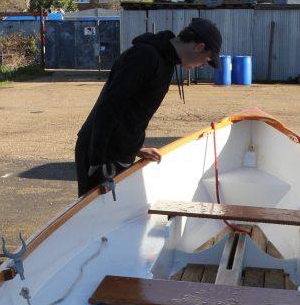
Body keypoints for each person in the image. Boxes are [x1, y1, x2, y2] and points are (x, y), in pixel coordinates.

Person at [74, 18, 222, 196]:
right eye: (206, 59)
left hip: (118, 153)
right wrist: (97, 161)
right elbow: (109, 107)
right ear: (198, 46)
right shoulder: (144, 56)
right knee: (97, 218)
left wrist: (135, 148)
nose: (202, 64)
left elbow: (133, 113)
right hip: (100, 153)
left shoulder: (166, 63)